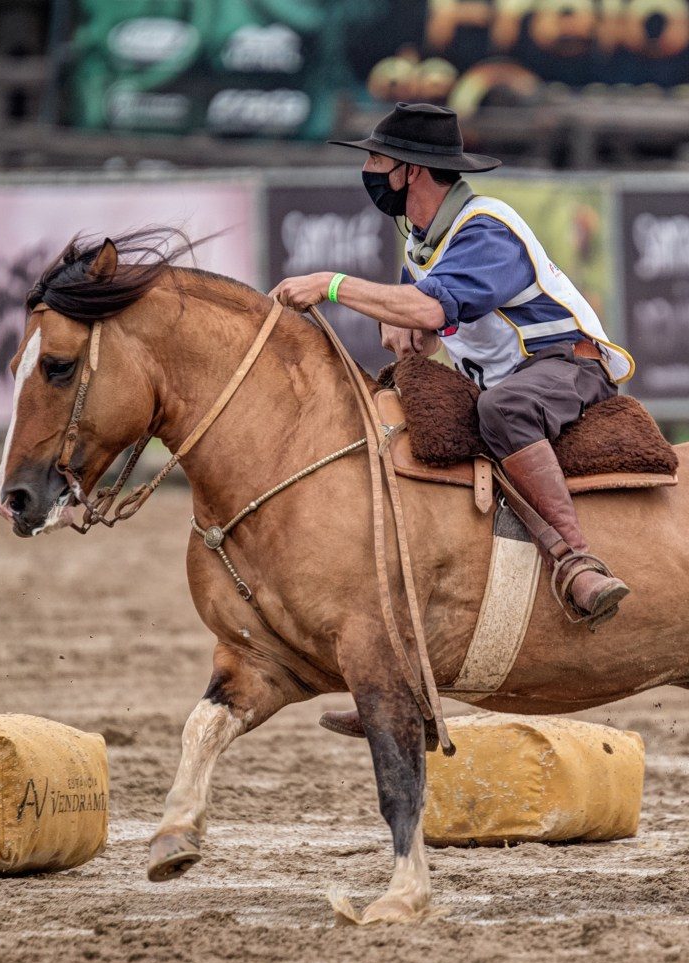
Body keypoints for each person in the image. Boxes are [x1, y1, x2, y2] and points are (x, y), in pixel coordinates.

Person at [270, 102, 635, 646]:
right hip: (508, 376)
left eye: (375, 159)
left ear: (410, 170)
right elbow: (418, 320)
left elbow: (432, 309)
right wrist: (401, 334)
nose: (368, 171)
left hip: (565, 367)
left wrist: (331, 284)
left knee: (502, 410)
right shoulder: (423, 243)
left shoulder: (485, 227)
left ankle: (577, 562)